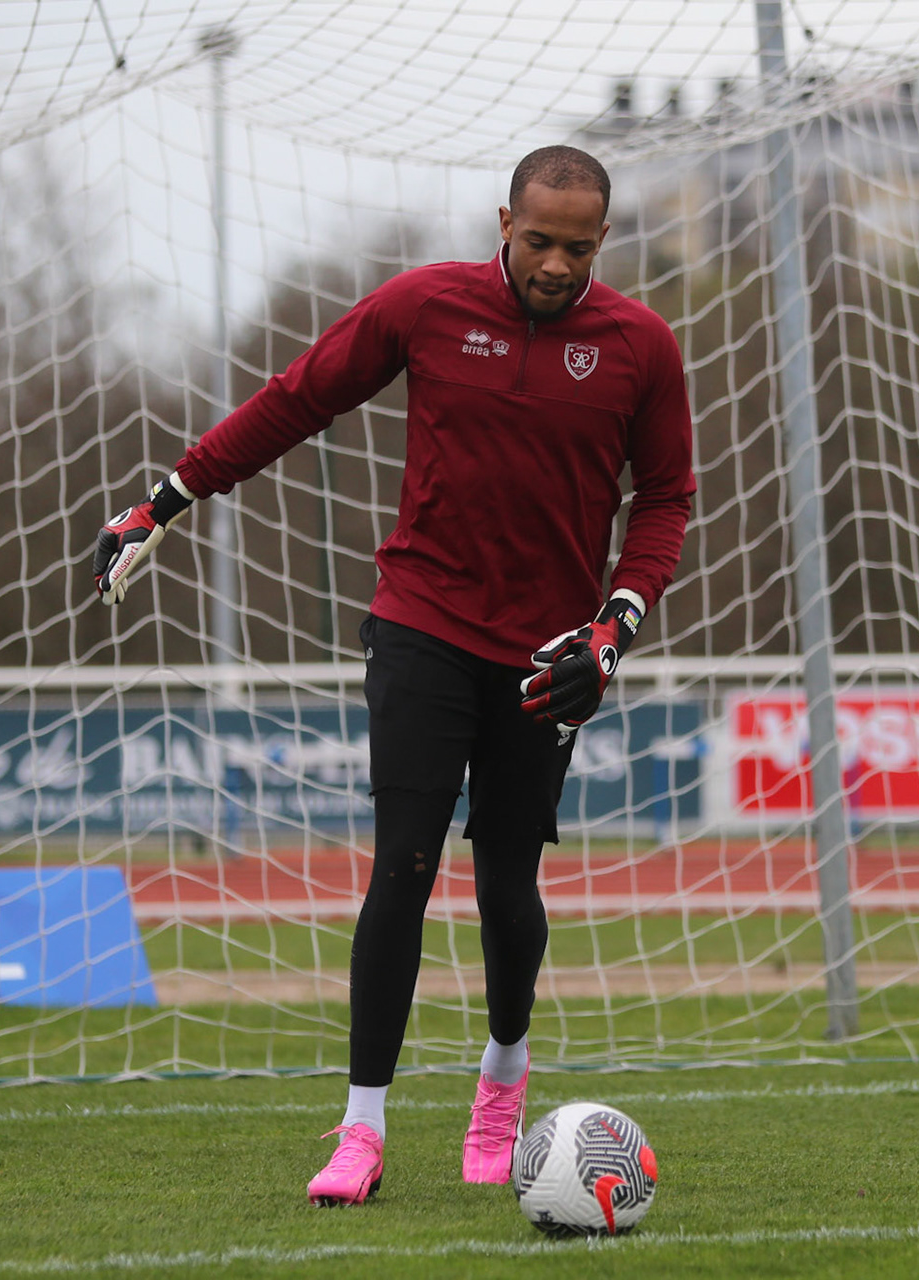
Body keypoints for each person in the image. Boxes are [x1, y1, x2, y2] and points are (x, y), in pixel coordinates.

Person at [90, 145, 696, 1206]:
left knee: (506, 885)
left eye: (578, 247)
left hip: (548, 656)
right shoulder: (425, 307)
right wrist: (166, 499)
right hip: (421, 622)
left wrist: (614, 626)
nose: (556, 264)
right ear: (503, 223)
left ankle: (502, 1081)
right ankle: (362, 1129)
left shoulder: (642, 345)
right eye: (538, 240)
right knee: (403, 866)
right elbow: (297, 399)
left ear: (604, 239)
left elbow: (667, 497)